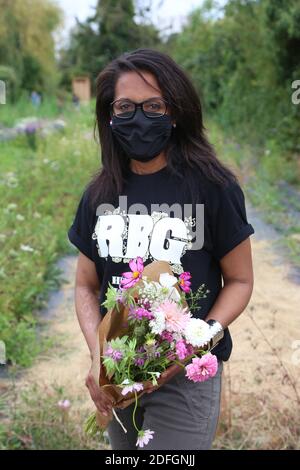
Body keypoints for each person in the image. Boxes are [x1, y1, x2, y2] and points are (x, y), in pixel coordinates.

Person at [67, 48, 254, 450]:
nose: (139, 118)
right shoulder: (100, 193)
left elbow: (239, 281)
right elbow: (85, 286)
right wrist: (99, 353)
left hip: (186, 375)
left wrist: (195, 343)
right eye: (125, 107)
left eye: (153, 106)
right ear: (110, 116)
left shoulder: (213, 187)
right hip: (119, 374)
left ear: (175, 111)